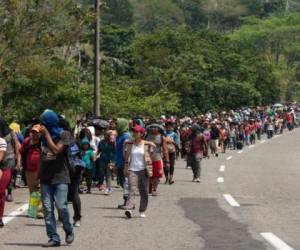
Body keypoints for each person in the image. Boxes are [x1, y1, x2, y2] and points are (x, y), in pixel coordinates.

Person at [39, 110, 74, 247]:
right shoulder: (42, 138)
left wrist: (47, 134)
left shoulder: (64, 134)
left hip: (60, 177)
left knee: (61, 206)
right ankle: (54, 237)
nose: (42, 125)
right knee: (47, 209)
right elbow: (42, 155)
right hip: (45, 177)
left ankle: (68, 230)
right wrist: (37, 176)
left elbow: (56, 150)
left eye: (44, 123)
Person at [123, 125, 155, 218]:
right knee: (132, 189)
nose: (134, 133)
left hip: (144, 170)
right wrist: (125, 167)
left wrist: (148, 143)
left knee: (144, 191)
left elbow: (151, 155)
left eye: (137, 132)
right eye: (134, 132)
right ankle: (129, 209)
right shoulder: (129, 144)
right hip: (132, 170)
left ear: (141, 133)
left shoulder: (147, 145)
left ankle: (142, 210)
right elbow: (126, 156)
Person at [21, 124, 43, 219]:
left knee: (40, 190)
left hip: (40, 170)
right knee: (32, 191)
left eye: (36, 132)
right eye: (33, 132)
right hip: (29, 169)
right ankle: (33, 211)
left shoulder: (43, 142)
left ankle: (40, 211)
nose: (34, 134)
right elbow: (21, 150)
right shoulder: (27, 141)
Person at [146, 124, 169, 196]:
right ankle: (149, 186)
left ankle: (154, 189)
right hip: (147, 158)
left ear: (159, 129)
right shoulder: (146, 136)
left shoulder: (162, 138)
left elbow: (165, 150)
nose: (153, 128)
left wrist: (167, 161)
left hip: (157, 158)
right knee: (148, 174)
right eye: (152, 127)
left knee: (157, 175)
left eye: (155, 127)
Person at [115, 118, 131, 209]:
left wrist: (126, 163)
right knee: (122, 182)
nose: (116, 126)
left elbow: (127, 151)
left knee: (125, 183)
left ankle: (128, 202)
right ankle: (127, 201)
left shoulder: (126, 136)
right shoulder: (119, 135)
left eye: (117, 124)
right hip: (119, 162)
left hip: (125, 163)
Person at [97, 130, 115, 195]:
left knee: (108, 175)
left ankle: (108, 188)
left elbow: (115, 151)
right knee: (101, 174)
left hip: (110, 160)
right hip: (102, 160)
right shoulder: (101, 142)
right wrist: (95, 156)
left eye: (107, 135)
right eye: (105, 135)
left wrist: (113, 161)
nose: (106, 136)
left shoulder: (112, 142)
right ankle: (101, 184)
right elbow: (98, 150)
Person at [0, 130, 8, 227]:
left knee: (0, 192)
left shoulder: (1, 141)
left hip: (3, 168)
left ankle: (0, 217)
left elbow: (0, 156)